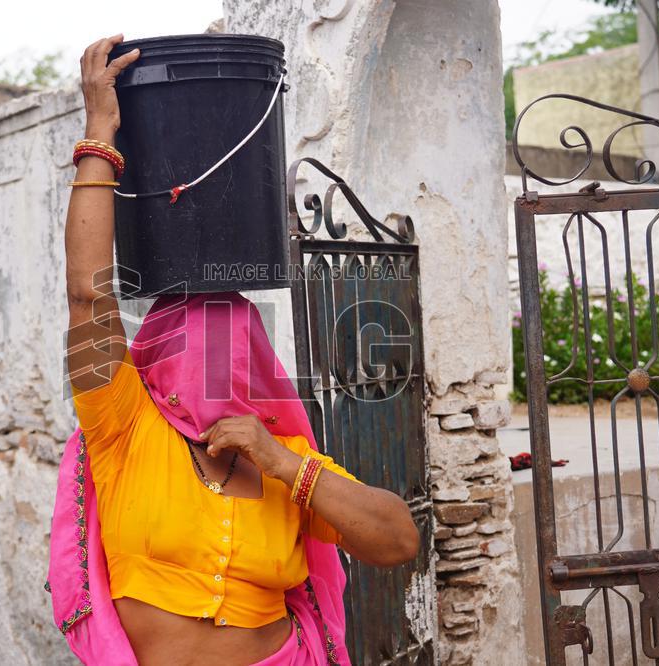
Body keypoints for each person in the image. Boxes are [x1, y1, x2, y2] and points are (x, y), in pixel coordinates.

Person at [48, 34, 420, 665]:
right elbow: (89, 298)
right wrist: (100, 130)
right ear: (156, 358)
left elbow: (397, 539)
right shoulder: (125, 428)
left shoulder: (284, 459)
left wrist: (281, 463)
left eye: (233, 349)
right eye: (188, 345)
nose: (211, 367)